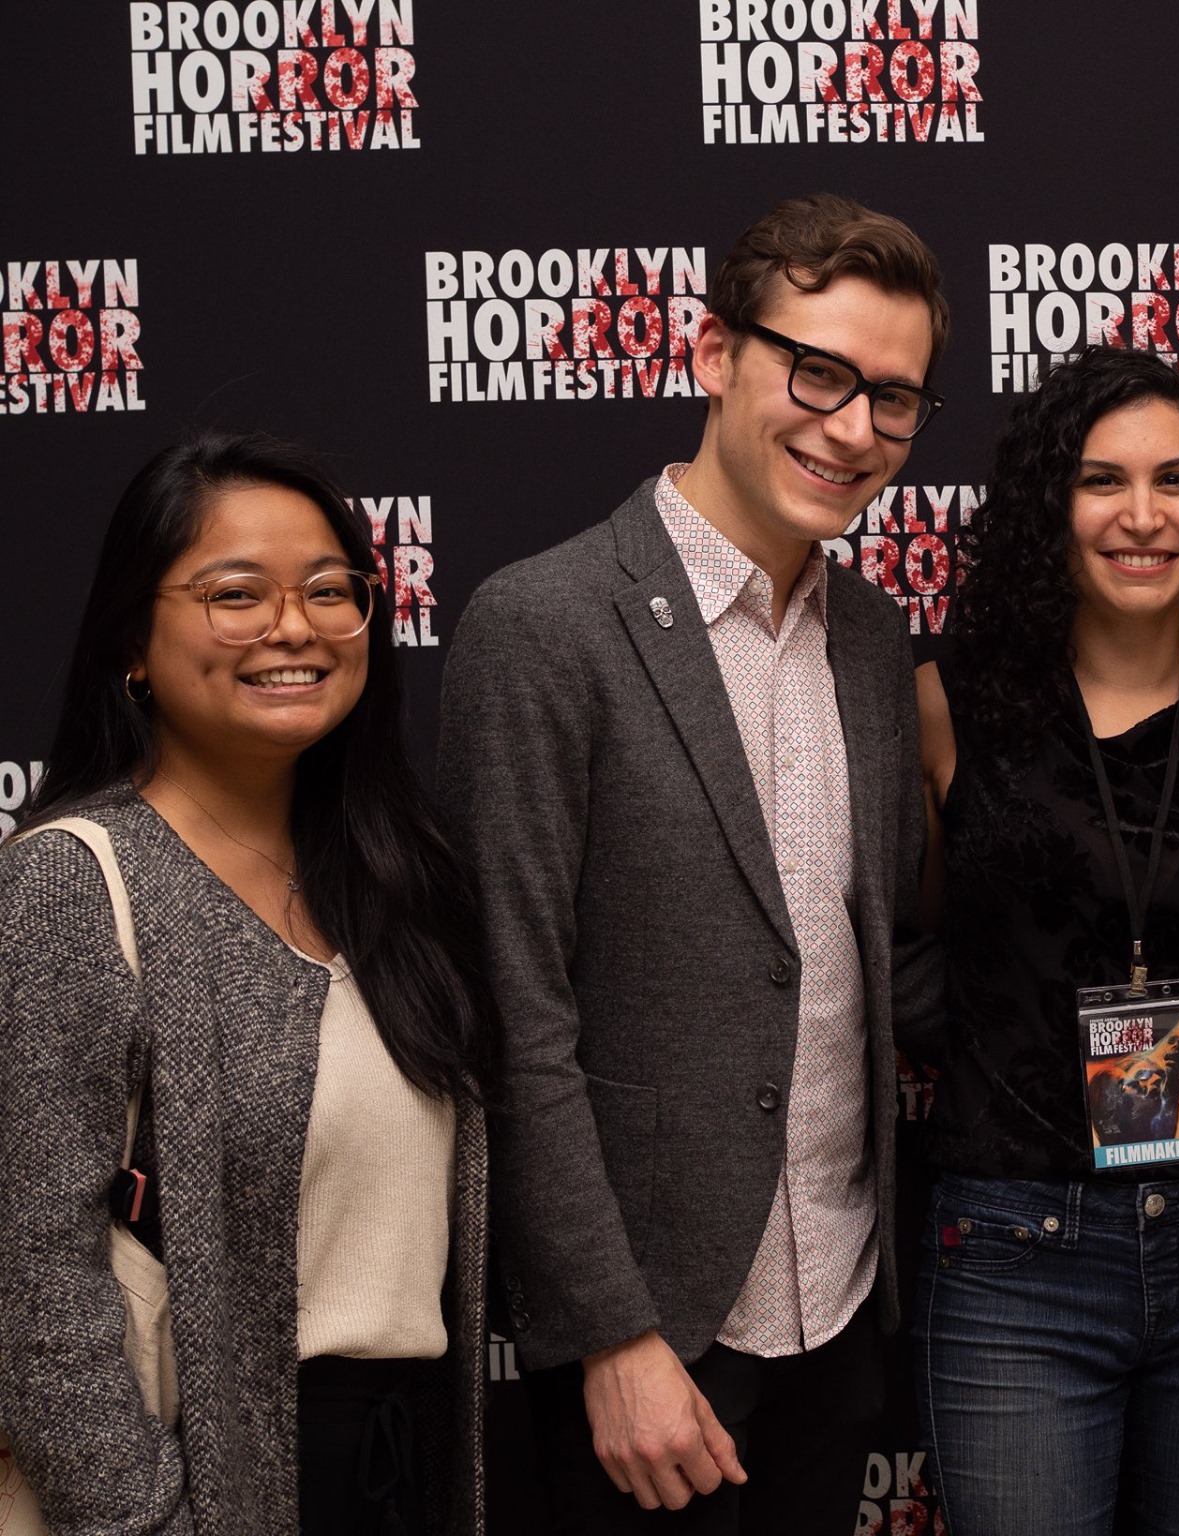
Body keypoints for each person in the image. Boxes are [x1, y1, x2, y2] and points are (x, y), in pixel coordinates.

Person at [437, 193, 946, 1534]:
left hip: (838, 1310)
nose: (852, 430)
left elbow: (875, 960)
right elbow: (516, 1013)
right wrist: (609, 1336)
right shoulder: (542, 624)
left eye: (893, 400)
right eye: (817, 371)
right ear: (713, 352)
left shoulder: (878, 645)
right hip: (653, 1342)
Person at [0, 431, 494, 1533]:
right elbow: (32, 1271)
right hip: (219, 1480)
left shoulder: (399, 885)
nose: (292, 627)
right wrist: (138, 1520)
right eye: (235, 593)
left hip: (405, 1465)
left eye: (330, 591)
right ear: (133, 638)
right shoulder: (72, 883)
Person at [910, 345, 1179, 1536]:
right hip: (1011, 1254)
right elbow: (906, 943)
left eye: (1176, 481)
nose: (1140, 517)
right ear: (1052, 504)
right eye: (1101, 481)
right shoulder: (944, 713)